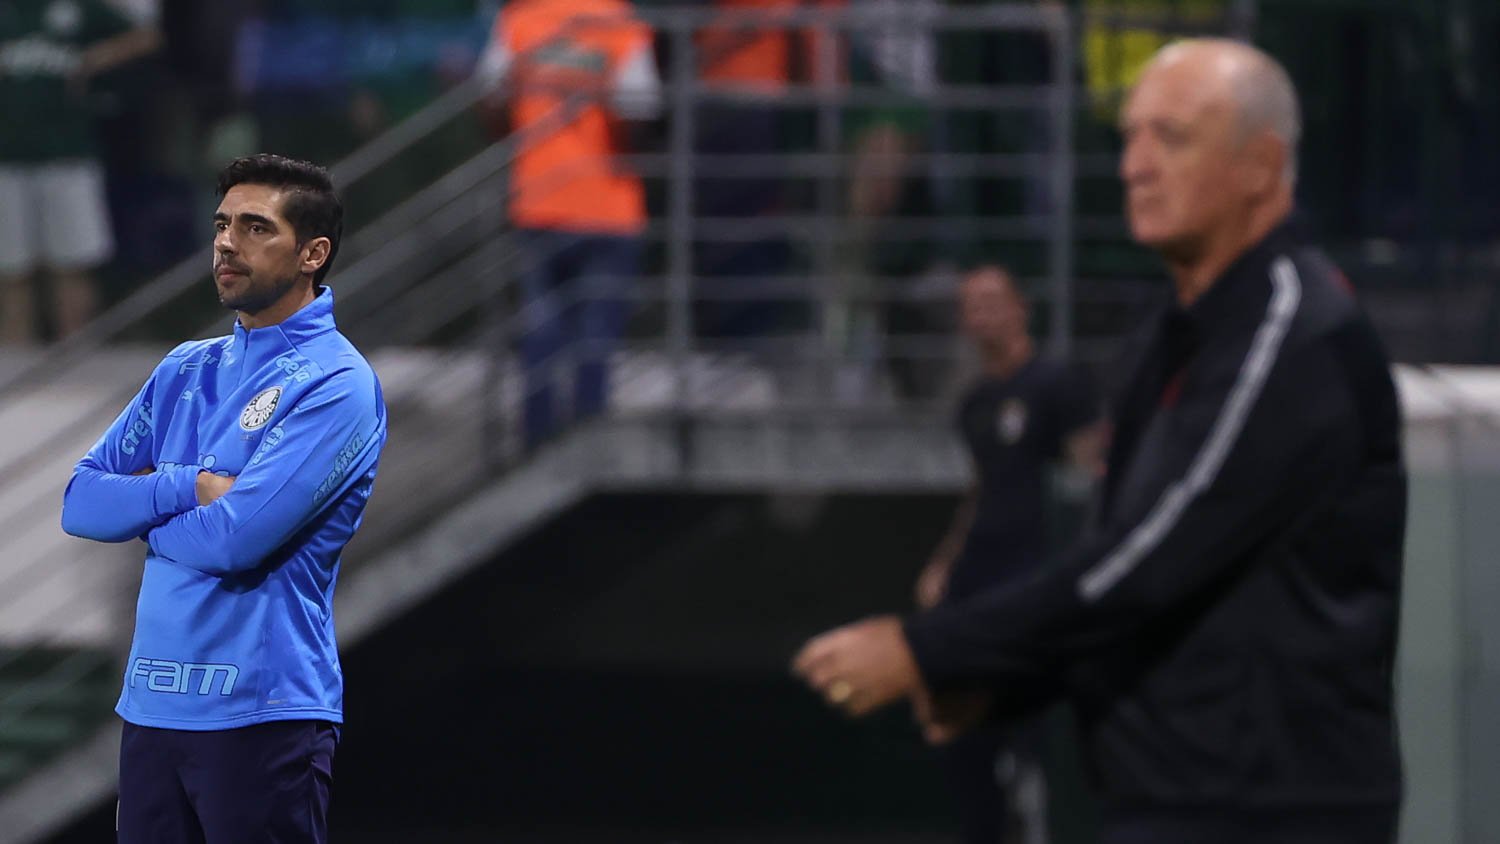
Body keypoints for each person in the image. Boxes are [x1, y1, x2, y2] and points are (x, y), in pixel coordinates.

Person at [794, 39, 1407, 844]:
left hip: (1272, 814)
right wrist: (1011, 686)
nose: (1134, 167)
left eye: (1171, 138)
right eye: (1129, 137)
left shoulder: (1292, 333)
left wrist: (931, 650)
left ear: (1260, 166)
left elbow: (1148, 560)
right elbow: (1133, 571)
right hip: (1164, 798)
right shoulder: (1166, 335)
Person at [60, 154, 387, 843]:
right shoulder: (185, 367)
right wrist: (185, 487)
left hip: (261, 713)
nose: (227, 243)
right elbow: (80, 503)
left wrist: (143, 517)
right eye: (222, 224)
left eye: (255, 227)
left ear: (312, 254)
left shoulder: (337, 384)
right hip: (151, 710)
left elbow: (235, 539)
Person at [914, 264, 1103, 844]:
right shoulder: (974, 402)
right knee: (956, 711)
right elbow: (981, 486)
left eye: (994, 300)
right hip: (978, 578)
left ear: (1022, 307)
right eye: (971, 305)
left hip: (1036, 573)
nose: (983, 314)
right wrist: (944, 561)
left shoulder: (1057, 383)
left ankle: (1038, 809)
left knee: (1035, 720)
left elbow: (1090, 476)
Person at [476, 0, 661, 449]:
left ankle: (538, 440)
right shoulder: (620, 23)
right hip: (608, 206)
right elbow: (639, 107)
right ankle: (587, 439)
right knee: (597, 334)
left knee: (541, 328)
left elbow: (491, 97)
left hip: (539, 201)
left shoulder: (520, 21)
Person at [0, 0, 161, 344]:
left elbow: (146, 35)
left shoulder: (79, 7)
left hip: (68, 155)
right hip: (7, 159)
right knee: (11, 271)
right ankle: (14, 360)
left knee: (72, 265)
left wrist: (96, 58)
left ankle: (76, 354)